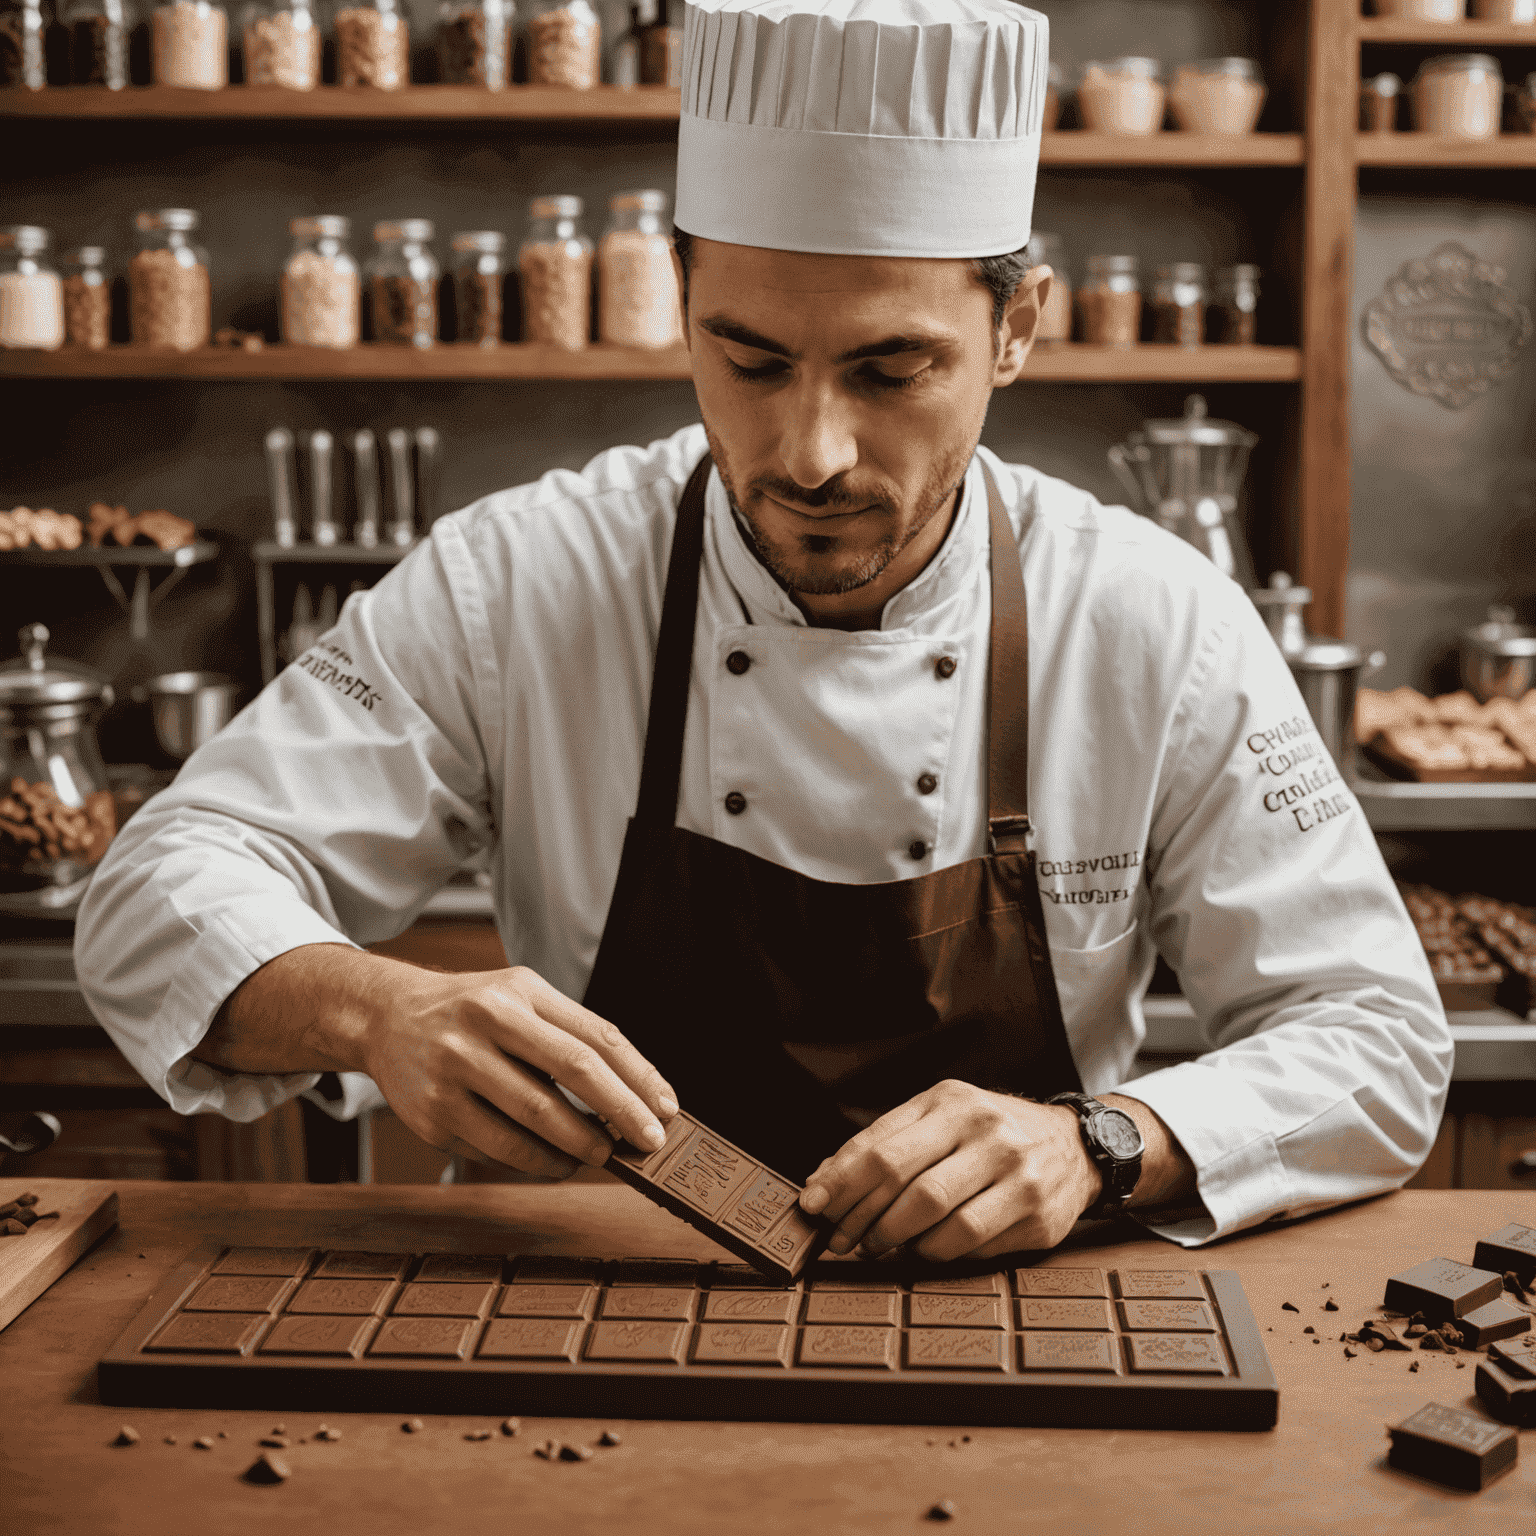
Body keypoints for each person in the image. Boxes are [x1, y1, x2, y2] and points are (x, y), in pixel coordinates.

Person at [76, 0, 1450, 1259]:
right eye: (748, 359)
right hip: (577, 1291)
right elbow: (160, 886)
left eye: (890, 366)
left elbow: (1377, 1037)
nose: (810, 452)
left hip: (1006, 1313)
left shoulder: (1156, 620)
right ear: (682, 312)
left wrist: (1104, 1143)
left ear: (1018, 328)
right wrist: (380, 1010)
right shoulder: (523, 579)